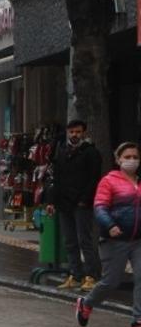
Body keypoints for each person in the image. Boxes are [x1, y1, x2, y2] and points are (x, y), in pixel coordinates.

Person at [76, 142, 141, 327]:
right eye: (127, 157)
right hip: (115, 239)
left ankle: (138, 319)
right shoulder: (109, 181)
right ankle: (86, 303)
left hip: (138, 240)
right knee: (111, 281)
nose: (131, 160)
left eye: (135, 157)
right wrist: (110, 225)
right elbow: (100, 207)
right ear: (118, 159)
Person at [46, 119, 102, 290]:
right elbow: (56, 178)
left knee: (84, 239)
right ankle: (76, 275)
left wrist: (85, 199)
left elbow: (94, 178)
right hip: (64, 203)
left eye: (78, 132)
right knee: (69, 241)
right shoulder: (62, 151)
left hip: (82, 203)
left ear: (83, 132)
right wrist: (52, 201)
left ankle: (91, 276)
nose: (74, 135)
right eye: (72, 132)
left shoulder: (90, 152)